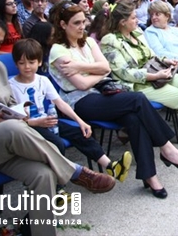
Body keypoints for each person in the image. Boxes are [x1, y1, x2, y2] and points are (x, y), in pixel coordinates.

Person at [0, 14, 115, 236]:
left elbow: (10, 103)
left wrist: (18, 112)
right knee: (12, 128)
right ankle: (75, 172)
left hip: (5, 141)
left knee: (43, 175)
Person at [49, 2, 178, 198]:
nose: (82, 26)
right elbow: (82, 85)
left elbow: (106, 68)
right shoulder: (58, 50)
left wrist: (83, 68)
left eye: (84, 21)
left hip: (103, 93)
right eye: (76, 23)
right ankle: (166, 147)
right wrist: (97, 71)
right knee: (137, 99)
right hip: (80, 102)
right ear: (63, 25)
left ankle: (150, 176)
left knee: (134, 119)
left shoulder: (90, 42)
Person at [100, 1, 178, 159]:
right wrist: (155, 76)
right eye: (134, 18)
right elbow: (124, 73)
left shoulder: (136, 33)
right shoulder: (110, 41)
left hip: (157, 74)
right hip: (139, 84)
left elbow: (152, 55)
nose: (138, 21)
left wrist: (166, 61)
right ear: (122, 22)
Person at [9, 39, 132, 182]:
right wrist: (35, 122)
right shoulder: (10, 85)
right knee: (57, 143)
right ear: (16, 63)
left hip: (46, 120)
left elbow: (60, 103)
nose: (27, 67)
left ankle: (111, 166)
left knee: (81, 133)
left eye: (31, 62)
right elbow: (14, 117)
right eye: (22, 63)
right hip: (27, 126)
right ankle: (59, 185)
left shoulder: (42, 80)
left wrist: (80, 122)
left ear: (40, 62)